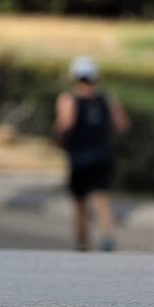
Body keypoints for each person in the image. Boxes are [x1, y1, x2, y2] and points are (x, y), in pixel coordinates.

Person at [56, 56, 129, 251]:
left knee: (80, 203)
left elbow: (66, 124)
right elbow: (121, 124)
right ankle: (107, 234)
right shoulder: (106, 98)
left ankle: (82, 244)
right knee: (101, 197)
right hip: (101, 154)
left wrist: (60, 139)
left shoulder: (68, 98)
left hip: (78, 156)